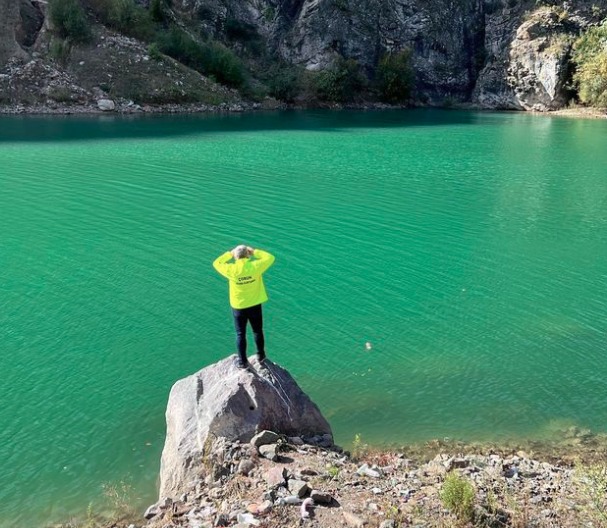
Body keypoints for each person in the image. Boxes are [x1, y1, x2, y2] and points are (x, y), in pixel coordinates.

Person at [213, 245, 275, 369]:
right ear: (248, 255)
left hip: (239, 306)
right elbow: (270, 257)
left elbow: (216, 263)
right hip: (255, 304)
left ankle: (243, 362)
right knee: (257, 331)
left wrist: (229, 254)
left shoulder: (232, 269)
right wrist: (255, 252)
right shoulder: (255, 266)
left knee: (240, 334)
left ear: (236, 257)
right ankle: (261, 356)